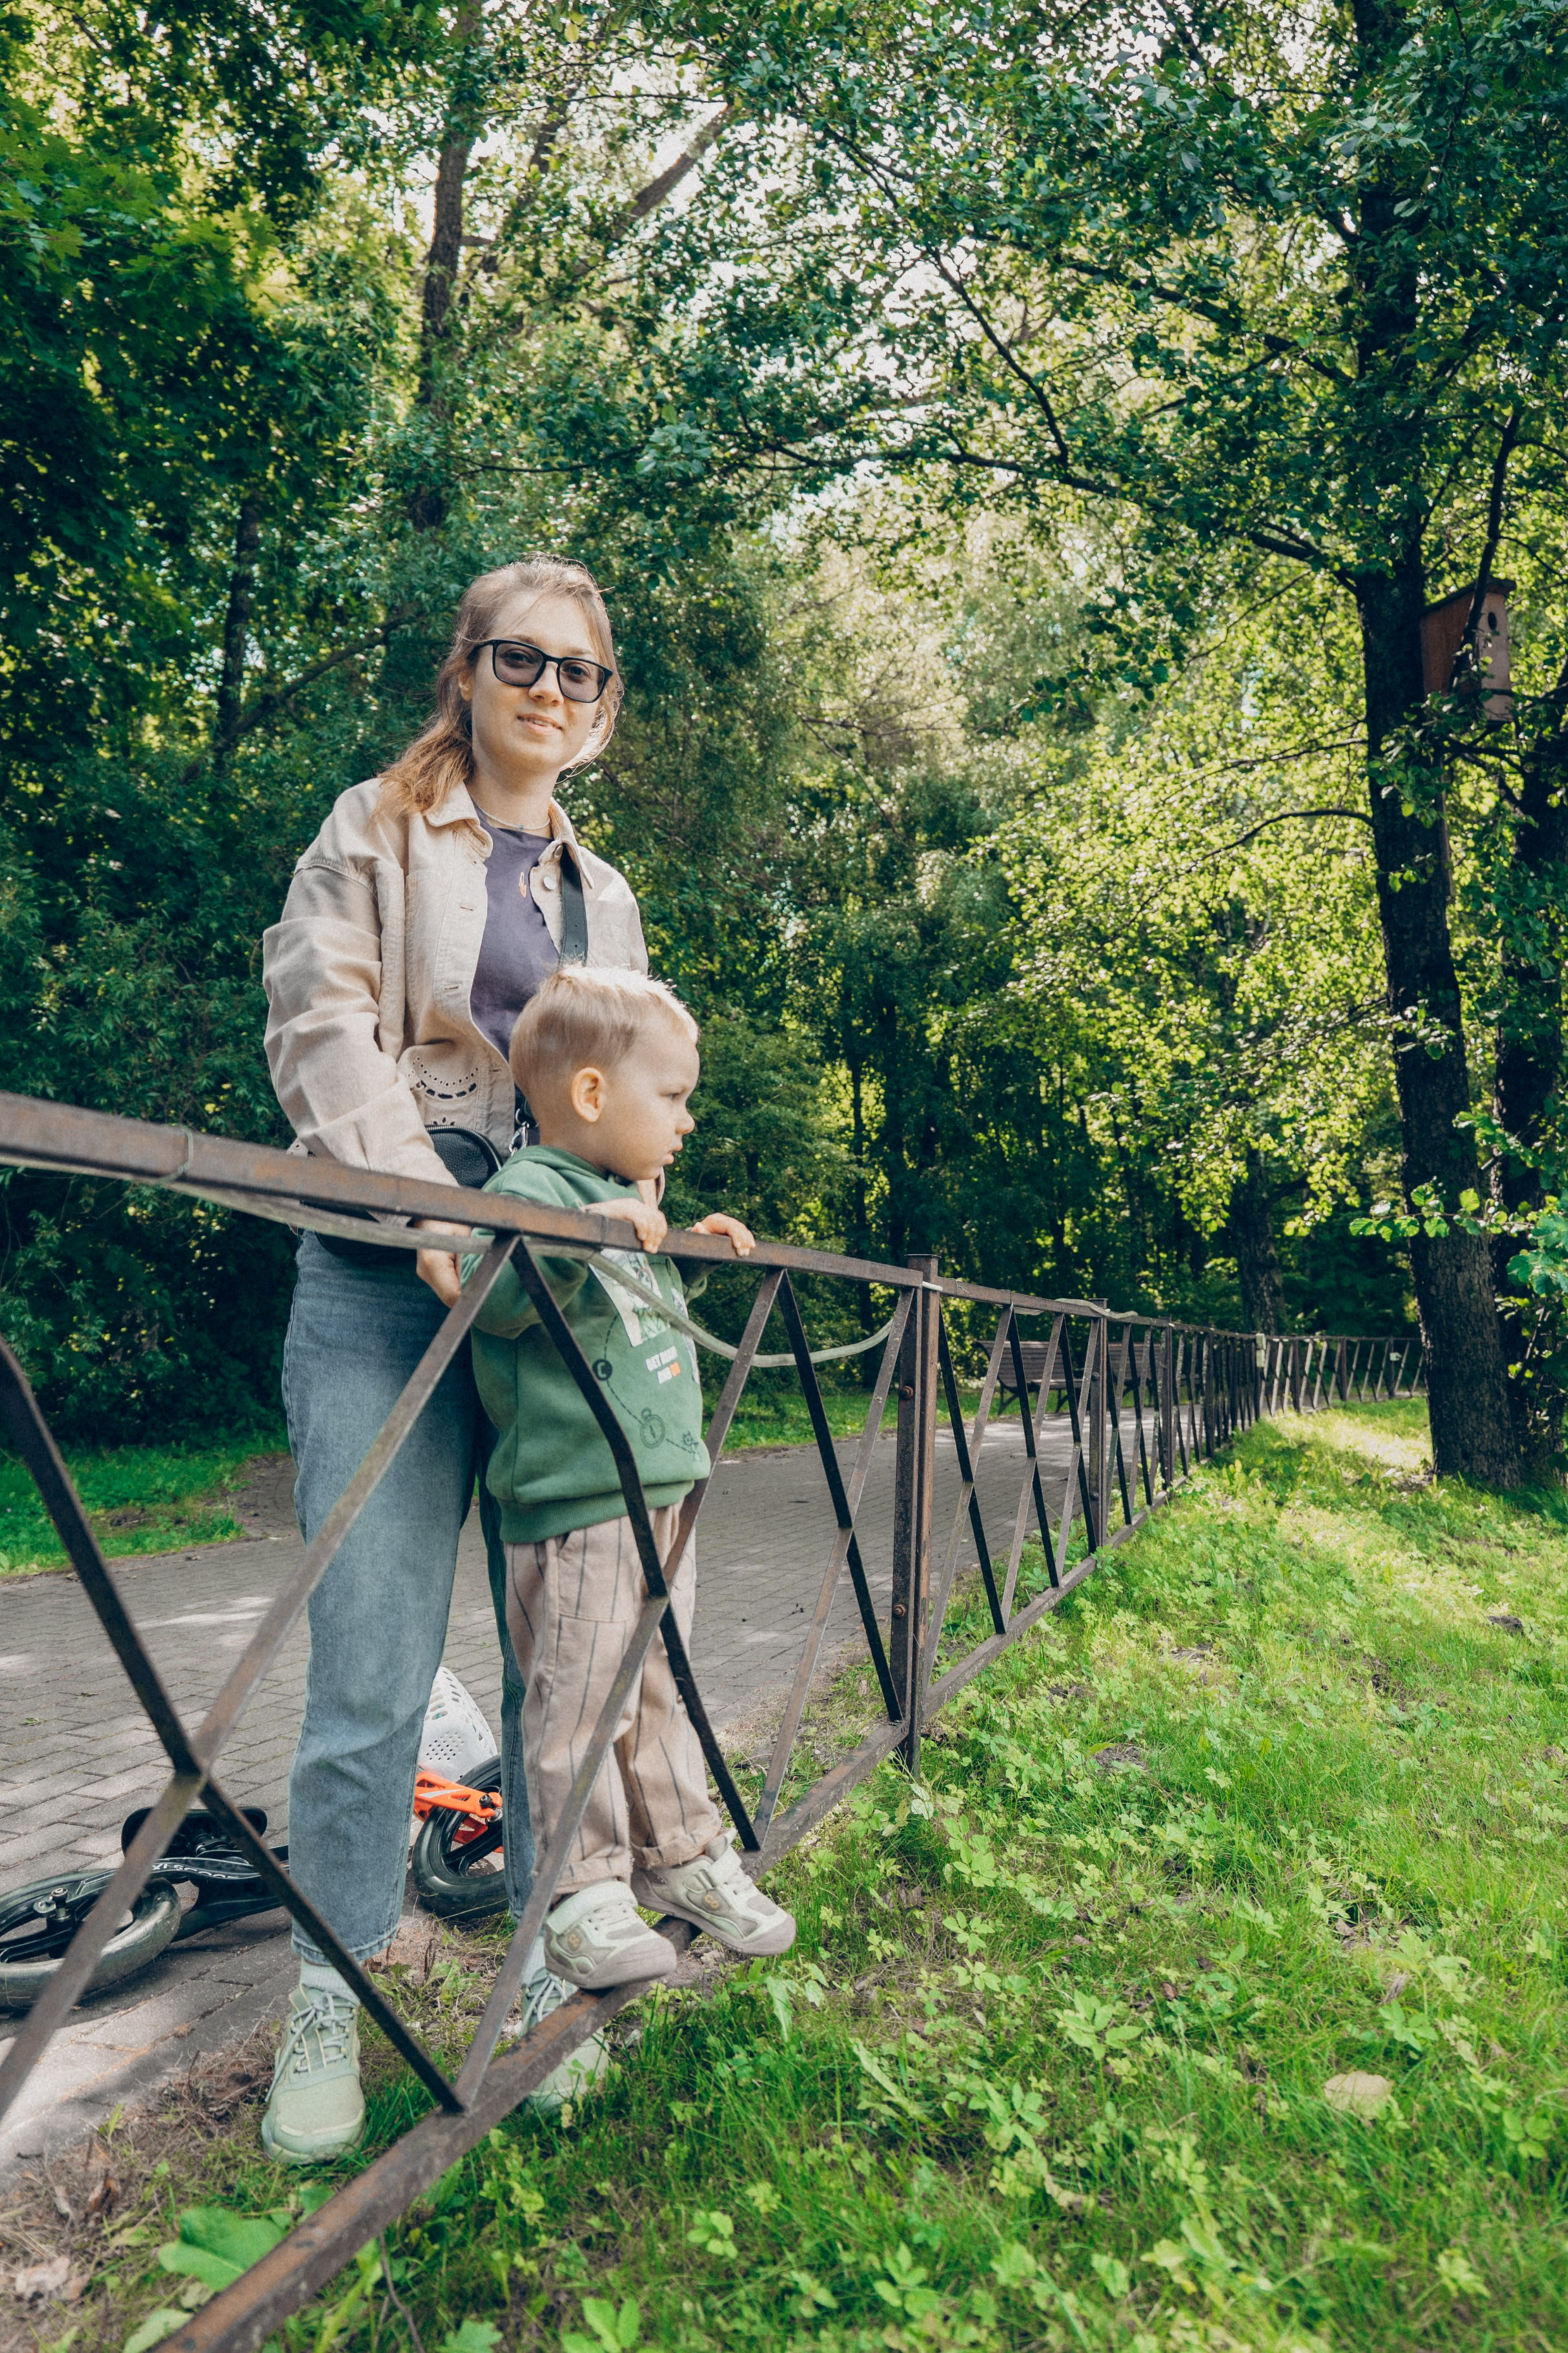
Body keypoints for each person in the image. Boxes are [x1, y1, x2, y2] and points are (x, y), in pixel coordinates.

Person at [259, 556, 643, 2163]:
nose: (549, 692)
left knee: (559, 1659)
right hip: (380, 1281)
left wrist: (643, 1231)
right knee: (370, 1667)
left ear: (602, 709)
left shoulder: (604, 895)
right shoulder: (371, 826)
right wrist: (420, 1210)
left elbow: (627, 1089)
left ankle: (548, 1967)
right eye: (521, 663)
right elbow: (319, 1021)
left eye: (579, 674)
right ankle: (331, 1991)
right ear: (466, 670)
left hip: (545, 1305)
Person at [465, 964, 797, 1982]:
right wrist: (590, 1236)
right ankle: (578, 1893)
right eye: (675, 1095)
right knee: (579, 1700)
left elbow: (627, 1306)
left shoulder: (620, 1196)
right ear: (593, 1095)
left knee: (660, 1687)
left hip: (658, 1497)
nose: (686, 1121)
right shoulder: (532, 1193)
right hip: (577, 1506)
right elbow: (495, 1301)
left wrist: (688, 1244)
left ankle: (681, 1856)